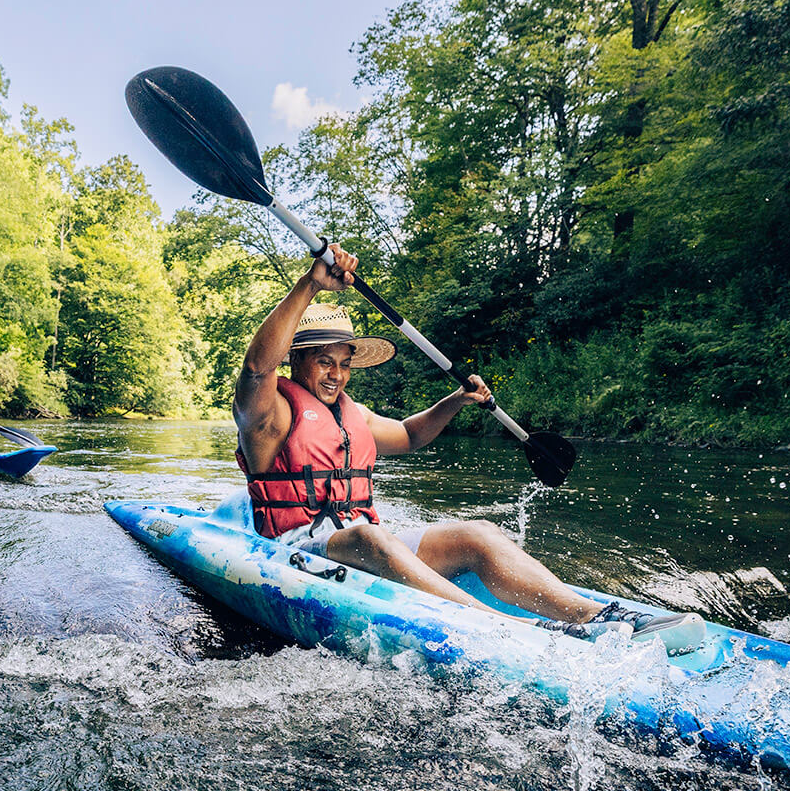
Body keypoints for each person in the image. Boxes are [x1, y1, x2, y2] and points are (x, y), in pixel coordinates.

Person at [233, 243, 704, 651]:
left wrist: (456, 400)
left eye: (343, 363)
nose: (336, 374)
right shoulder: (268, 415)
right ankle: (516, 628)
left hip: (363, 548)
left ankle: (594, 617)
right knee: (370, 535)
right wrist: (310, 285)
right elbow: (256, 367)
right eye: (323, 362)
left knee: (477, 532)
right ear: (295, 360)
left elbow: (413, 435)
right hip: (295, 552)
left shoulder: (354, 416)